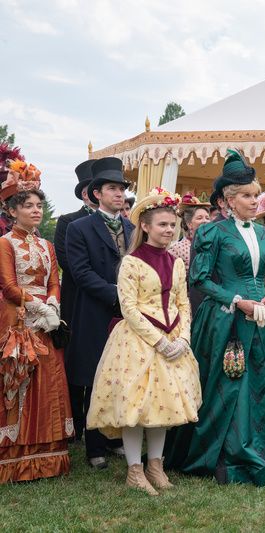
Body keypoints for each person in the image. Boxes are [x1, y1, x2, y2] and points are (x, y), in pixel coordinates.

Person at [164, 150, 265, 486]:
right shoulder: (212, 233)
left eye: (256, 195)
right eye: (248, 196)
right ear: (228, 201)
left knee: (262, 382)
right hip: (224, 319)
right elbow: (200, 279)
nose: (255, 201)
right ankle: (225, 456)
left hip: (262, 318)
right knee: (229, 383)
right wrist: (237, 301)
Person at [87, 188, 201, 495]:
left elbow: (183, 302)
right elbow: (130, 308)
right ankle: (134, 471)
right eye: (161, 224)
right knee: (137, 407)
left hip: (174, 337)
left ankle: (156, 466)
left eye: (171, 225)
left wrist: (184, 338)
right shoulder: (132, 263)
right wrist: (159, 342)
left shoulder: (176, 263)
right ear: (146, 227)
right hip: (139, 342)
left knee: (162, 408)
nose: (168, 230)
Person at [0, 166, 74, 483]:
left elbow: (55, 281)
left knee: (49, 380)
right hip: (18, 316)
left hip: (47, 318)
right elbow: (8, 285)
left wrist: (54, 305)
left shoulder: (48, 246)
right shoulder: (5, 243)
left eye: (39, 206)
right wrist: (40, 307)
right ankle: (16, 459)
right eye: (28, 205)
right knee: (20, 381)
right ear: (13, 210)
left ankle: (48, 453)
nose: (36, 211)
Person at [65, 156, 133, 468]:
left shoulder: (133, 227)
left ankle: (117, 437)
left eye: (122, 189)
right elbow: (80, 272)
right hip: (95, 310)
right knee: (95, 375)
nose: (119, 194)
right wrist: (116, 294)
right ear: (97, 194)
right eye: (112, 188)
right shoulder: (79, 228)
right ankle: (95, 446)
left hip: (130, 313)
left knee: (124, 373)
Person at [53, 160, 97, 441]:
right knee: (75, 359)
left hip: (104, 298)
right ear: (86, 194)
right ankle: (75, 424)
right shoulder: (68, 221)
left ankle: (97, 425)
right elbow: (67, 261)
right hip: (76, 298)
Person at [167, 193, 211, 314]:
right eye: (199, 218)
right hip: (188, 305)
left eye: (207, 218)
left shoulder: (215, 245)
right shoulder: (177, 249)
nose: (205, 221)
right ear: (189, 224)